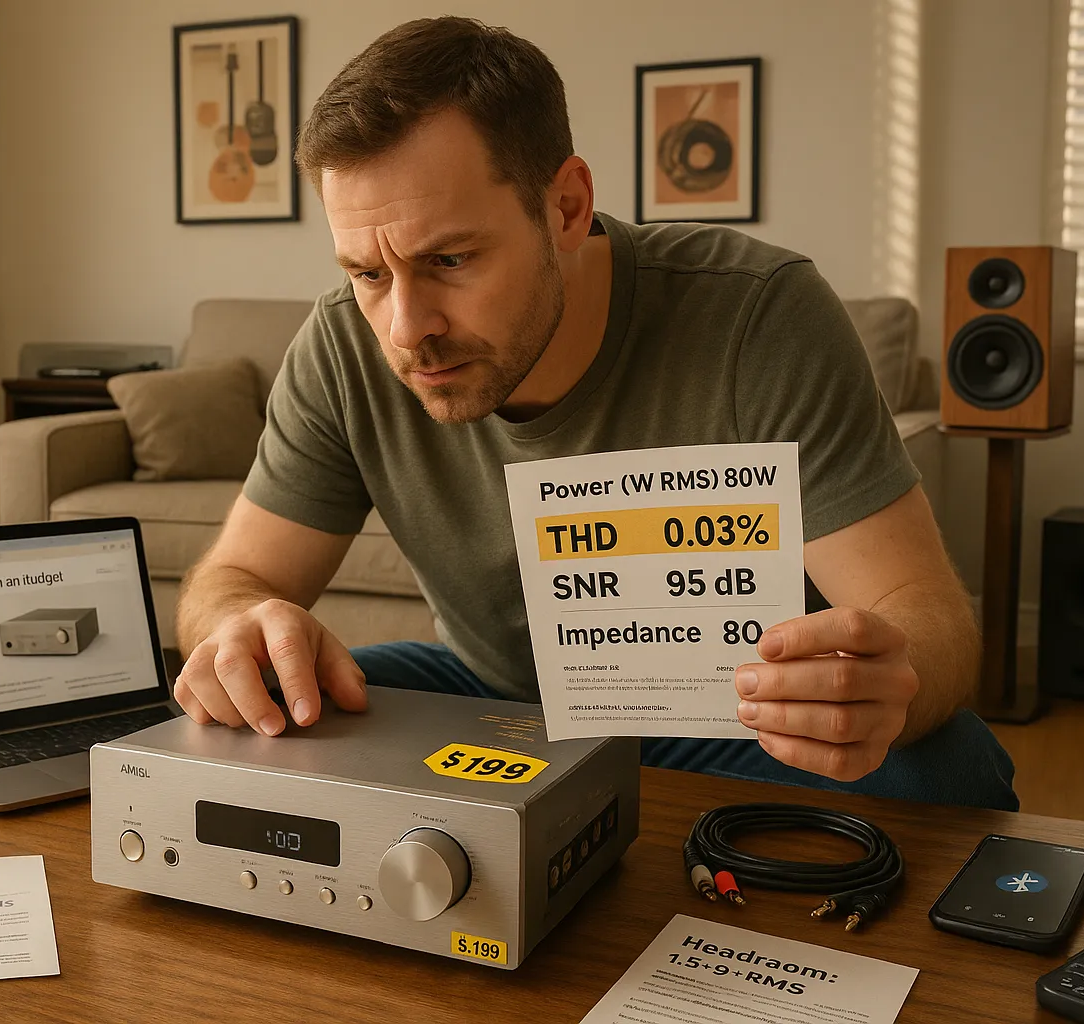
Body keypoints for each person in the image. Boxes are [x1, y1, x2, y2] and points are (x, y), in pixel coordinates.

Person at [173, 17, 1017, 810]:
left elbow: (927, 615)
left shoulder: (760, 316)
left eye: (451, 259)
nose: (406, 327)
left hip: (737, 717)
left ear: (567, 208)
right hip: (493, 698)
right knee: (258, 718)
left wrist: (877, 684)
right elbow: (233, 580)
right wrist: (240, 627)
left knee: (949, 765)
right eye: (368, 274)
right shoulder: (342, 346)